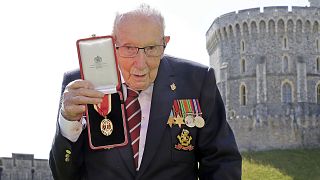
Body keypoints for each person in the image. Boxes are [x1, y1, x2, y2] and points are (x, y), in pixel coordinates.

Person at [49, 4, 242, 180]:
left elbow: (222, 162)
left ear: (165, 43)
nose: (140, 64)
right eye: (129, 48)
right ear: (112, 45)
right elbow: (63, 174)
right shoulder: (81, 85)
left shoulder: (197, 81)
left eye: (151, 48)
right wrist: (67, 121)